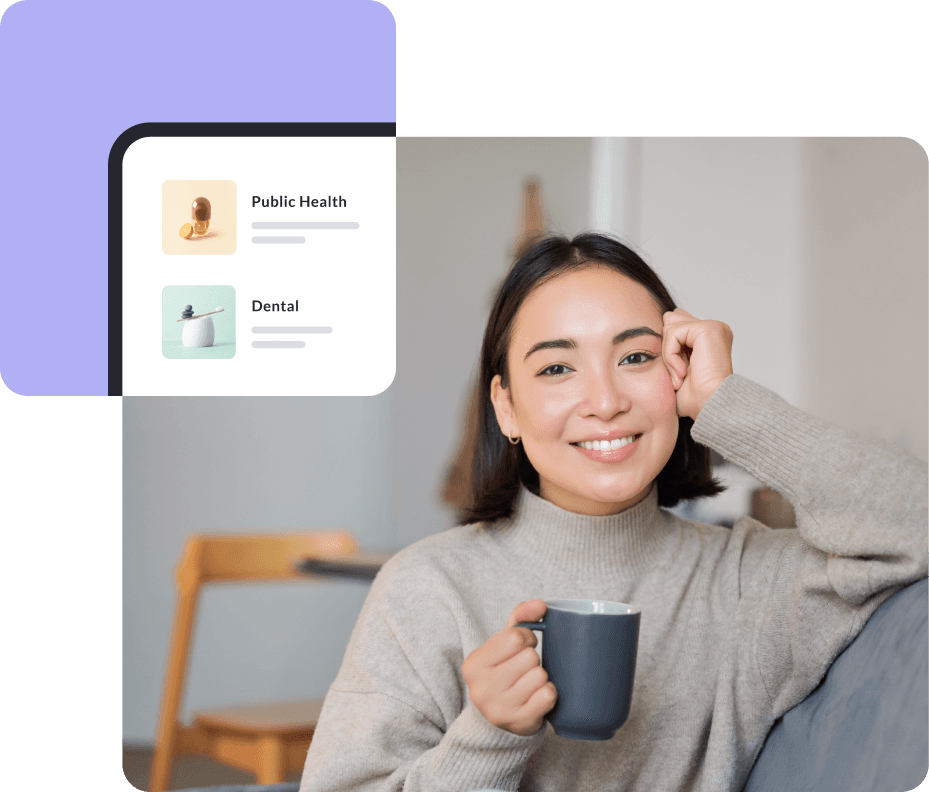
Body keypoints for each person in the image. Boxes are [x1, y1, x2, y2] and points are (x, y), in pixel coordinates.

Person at [300, 233, 927, 792]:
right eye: (556, 367)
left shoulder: (748, 584)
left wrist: (726, 404)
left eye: (635, 357)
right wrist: (487, 735)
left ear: (678, 375)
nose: (604, 401)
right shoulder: (425, 591)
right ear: (506, 407)